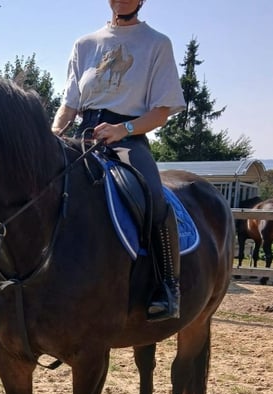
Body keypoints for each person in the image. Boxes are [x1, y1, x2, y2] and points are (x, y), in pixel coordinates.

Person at [51, 0, 186, 322]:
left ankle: (167, 285)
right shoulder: (85, 44)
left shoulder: (156, 43)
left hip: (128, 136)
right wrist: (53, 133)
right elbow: (69, 103)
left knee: (152, 196)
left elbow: (161, 112)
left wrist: (122, 129)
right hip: (82, 135)